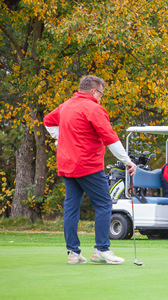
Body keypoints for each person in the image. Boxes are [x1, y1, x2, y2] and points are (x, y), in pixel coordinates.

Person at [44, 75, 137, 265]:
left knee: (71, 208)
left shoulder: (66, 105)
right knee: (103, 204)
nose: (101, 98)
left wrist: (60, 138)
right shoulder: (94, 108)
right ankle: (101, 249)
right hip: (88, 165)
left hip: (67, 165)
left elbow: (48, 120)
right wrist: (127, 161)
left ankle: (73, 253)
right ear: (94, 91)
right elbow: (110, 137)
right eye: (101, 94)